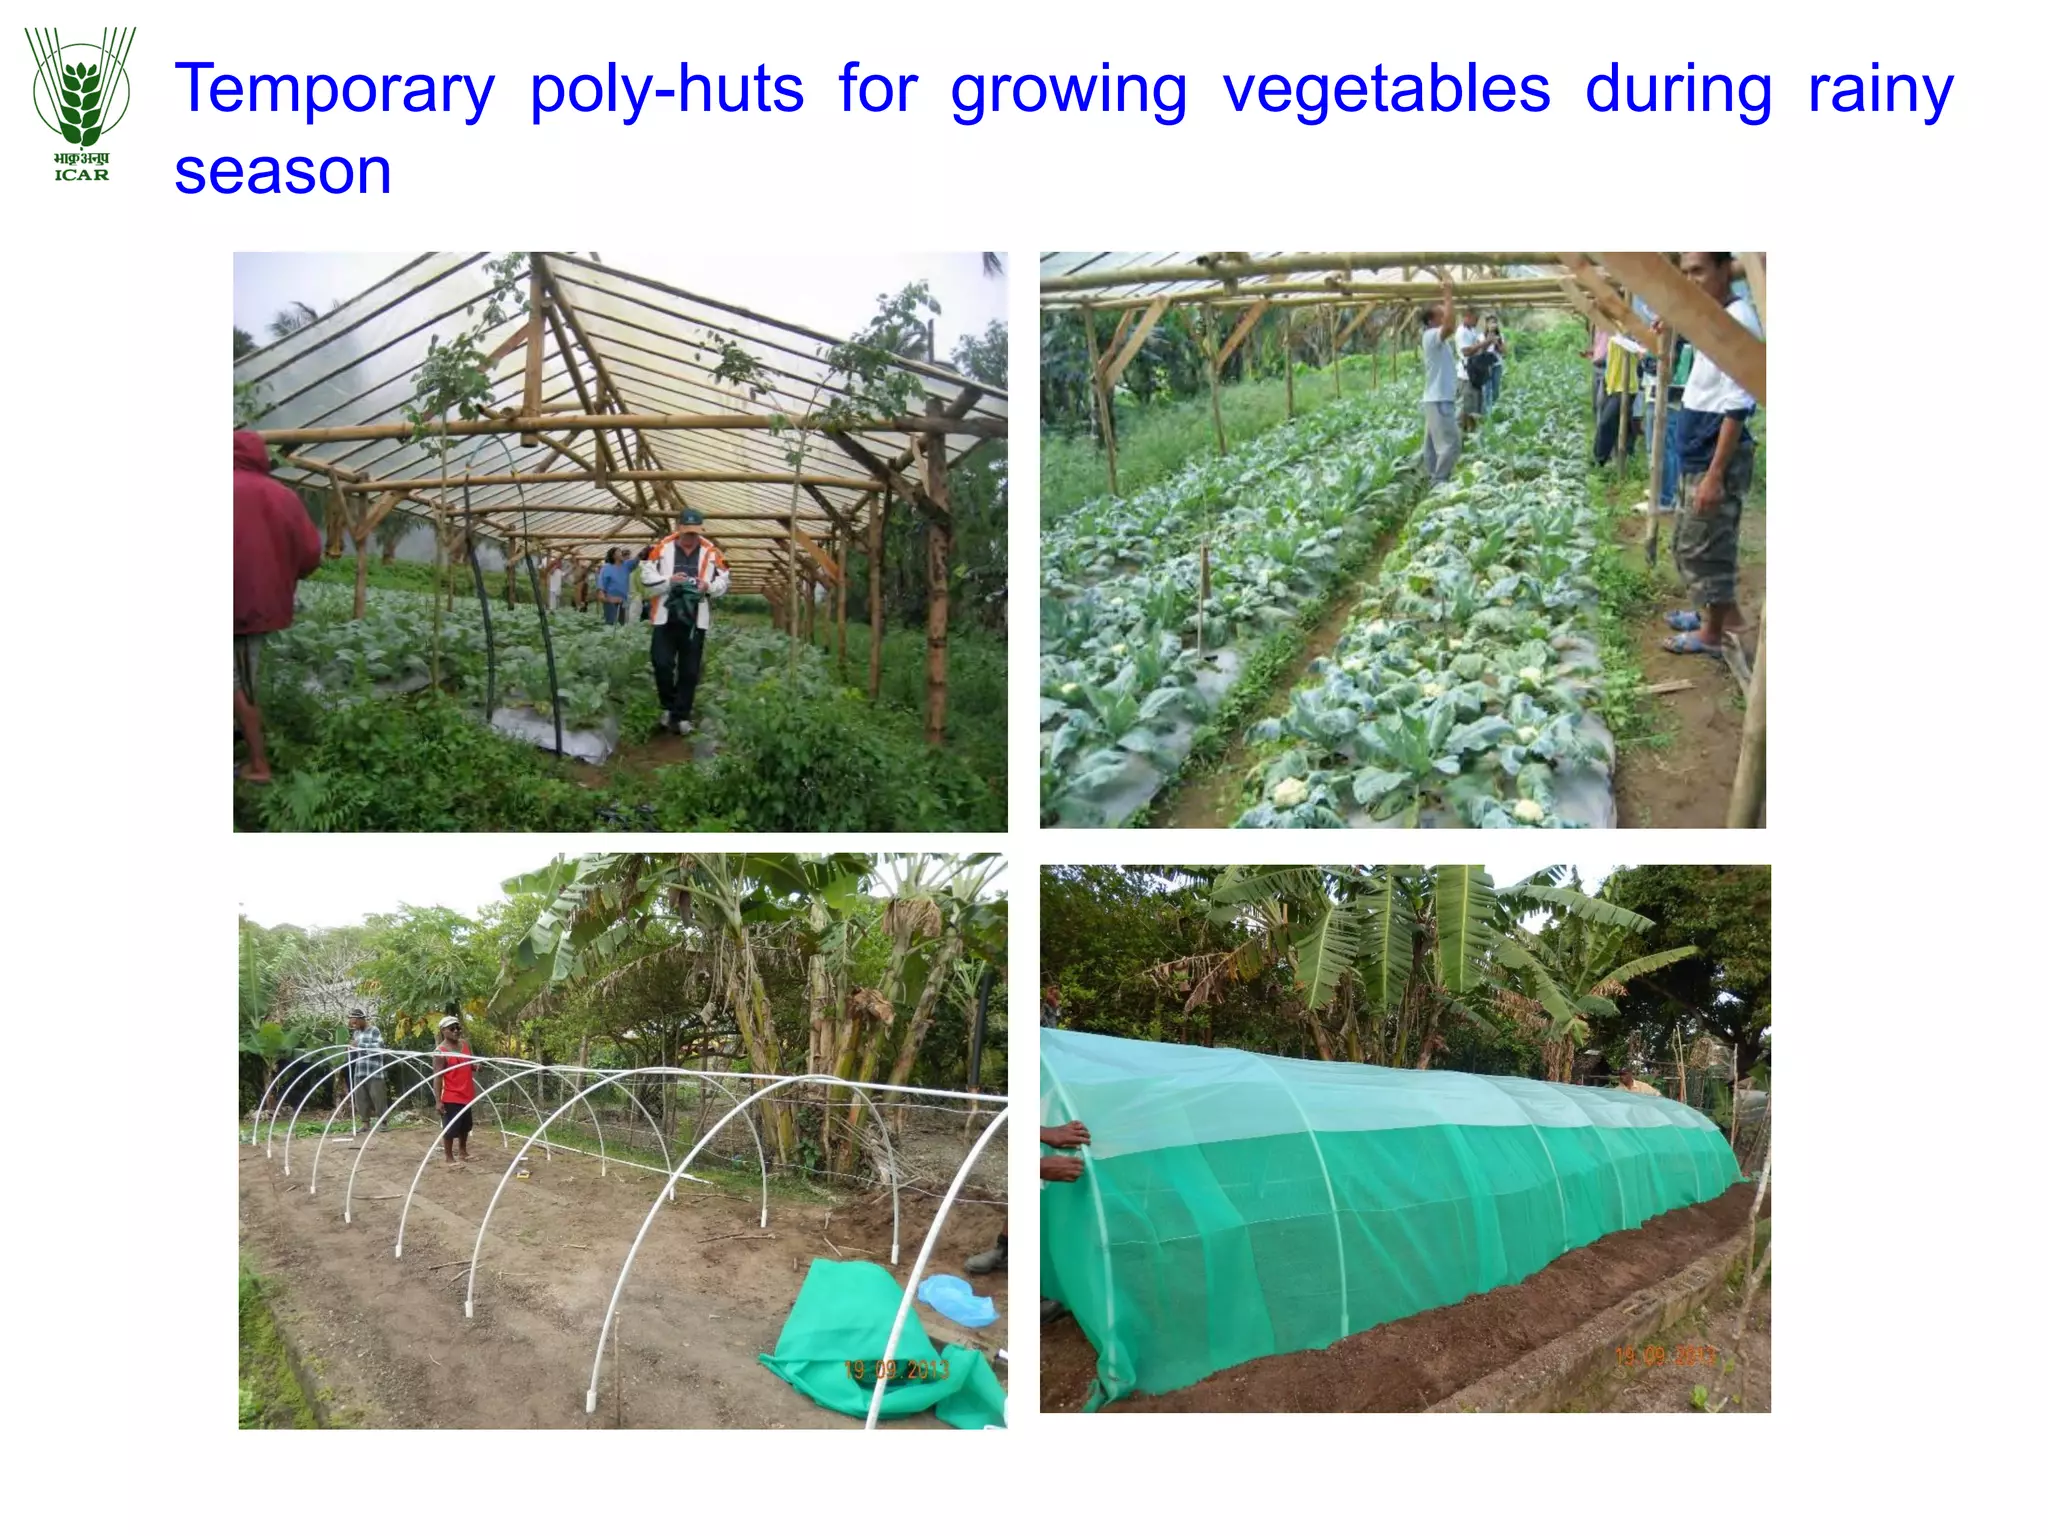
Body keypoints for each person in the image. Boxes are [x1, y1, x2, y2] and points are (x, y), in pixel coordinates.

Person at [1664, 252, 1764, 661]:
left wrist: (1715, 474)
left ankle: (1714, 631)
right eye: (1685, 272)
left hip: (1714, 454)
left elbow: (1737, 404)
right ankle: (1714, 615)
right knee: (1690, 541)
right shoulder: (1712, 314)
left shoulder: (1738, 321)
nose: (1691, 279)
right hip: (1697, 448)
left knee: (1704, 547)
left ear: (1726, 269)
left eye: (1699, 270)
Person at [233, 431, 323, 784]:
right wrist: (280, 575)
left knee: (235, 684)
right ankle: (254, 760)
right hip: (254, 607)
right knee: (243, 682)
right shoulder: (284, 497)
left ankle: (258, 764)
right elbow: (310, 555)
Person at [638, 507, 731, 735]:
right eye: (687, 531)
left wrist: (708, 586)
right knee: (661, 663)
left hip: (694, 620)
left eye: (694, 532)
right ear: (678, 528)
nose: (690, 536)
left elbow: (724, 580)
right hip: (665, 617)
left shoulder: (711, 552)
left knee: (689, 670)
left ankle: (682, 715)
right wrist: (669, 581)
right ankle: (668, 706)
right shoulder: (661, 548)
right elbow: (646, 575)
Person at [1417, 279, 1462, 482]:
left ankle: (1431, 481)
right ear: (1431, 320)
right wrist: (1448, 295)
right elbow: (1450, 325)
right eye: (1440, 314)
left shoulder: (1436, 339)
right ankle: (1439, 483)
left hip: (1436, 399)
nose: (1445, 316)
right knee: (1451, 445)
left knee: (1432, 448)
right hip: (1439, 400)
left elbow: (1450, 324)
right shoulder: (1431, 336)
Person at [434, 1015, 478, 1166]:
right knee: (451, 1128)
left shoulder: (464, 1044)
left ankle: (463, 1152)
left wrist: (476, 1066)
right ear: (443, 1031)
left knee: (465, 1126)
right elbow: (437, 1077)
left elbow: (468, 1064)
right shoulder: (441, 1052)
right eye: (451, 1028)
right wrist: (438, 1101)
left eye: (458, 1027)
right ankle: (449, 1157)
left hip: (467, 1094)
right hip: (451, 1096)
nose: (456, 1031)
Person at [345, 1008, 389, 1119]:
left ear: (362, 1019)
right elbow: (356, 1051)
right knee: (361, 1098)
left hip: (374, 1071)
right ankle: (365, 1123)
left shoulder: (374, 1030)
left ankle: (383, 1122)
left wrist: (359, 1046)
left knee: (378, 1098)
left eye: (355, 1022)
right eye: (352, 1023)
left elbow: (379, 1047)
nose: (354, 1025)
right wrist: (350, 1049)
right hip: (360, 1071)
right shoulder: (356, 1033)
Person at [1455, 305, 1489, 433]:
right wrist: (1484, 343)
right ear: (1468, 316)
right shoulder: (1462, 332)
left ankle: (1472, 433)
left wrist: (1485, 344)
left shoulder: (1472, 331)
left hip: (1474, 374)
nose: (1477, 321)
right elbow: (1466, 351)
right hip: (1466, 375)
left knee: (1475, 408)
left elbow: (1477, 347)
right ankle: (1462, 433)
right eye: (1476, 318)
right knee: (1466, 408)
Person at [597, 547, 632, 626]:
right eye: (618, 552)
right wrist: (602, 594)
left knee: (621, 622)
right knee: (611, 621)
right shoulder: (606, 567)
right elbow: (601, 583)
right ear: (613, 556)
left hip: (623, 599)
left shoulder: (624, 568)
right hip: (611, 599)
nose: (621, 554)